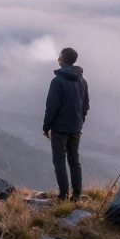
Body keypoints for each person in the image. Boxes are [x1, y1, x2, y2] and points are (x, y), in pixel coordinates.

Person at [43, 46, 89, 202]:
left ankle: (63, 196)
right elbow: (85, 105)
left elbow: (52, 107)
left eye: (59, 56)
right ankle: (76, 195)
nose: (58, 58)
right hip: (75, 127)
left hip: (60, 128)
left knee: (59, 161)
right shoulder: (82, 81)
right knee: (74, 160)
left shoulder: (57, 81)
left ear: (62, 60)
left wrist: (46, 127)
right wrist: (80, 121)